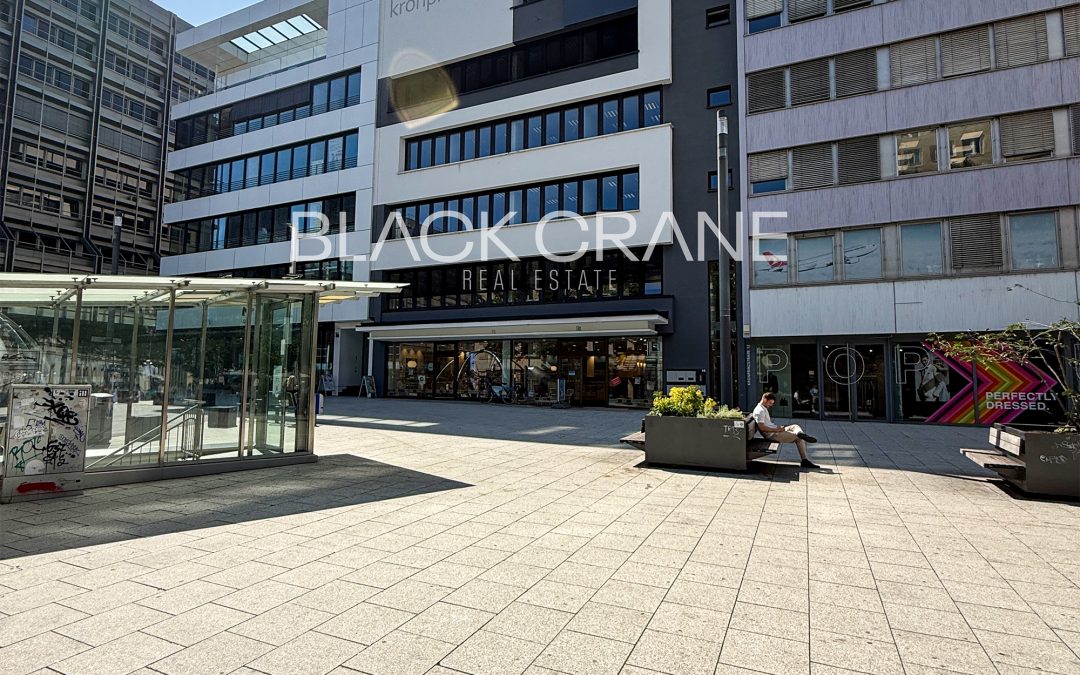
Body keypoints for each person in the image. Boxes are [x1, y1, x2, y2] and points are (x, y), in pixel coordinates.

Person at [752, 392, 820, 468]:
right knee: (799, 439)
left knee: (795, 426)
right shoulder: (760, 411)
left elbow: (767, 424)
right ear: (765, 399)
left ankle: (800, 433)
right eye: (770, 403)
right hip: (772, 434)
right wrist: (777, 430)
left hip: (775, 430)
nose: (771, 405)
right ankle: (804, 460)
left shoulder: (762, 408)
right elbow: (762, 428)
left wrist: (778, 427)